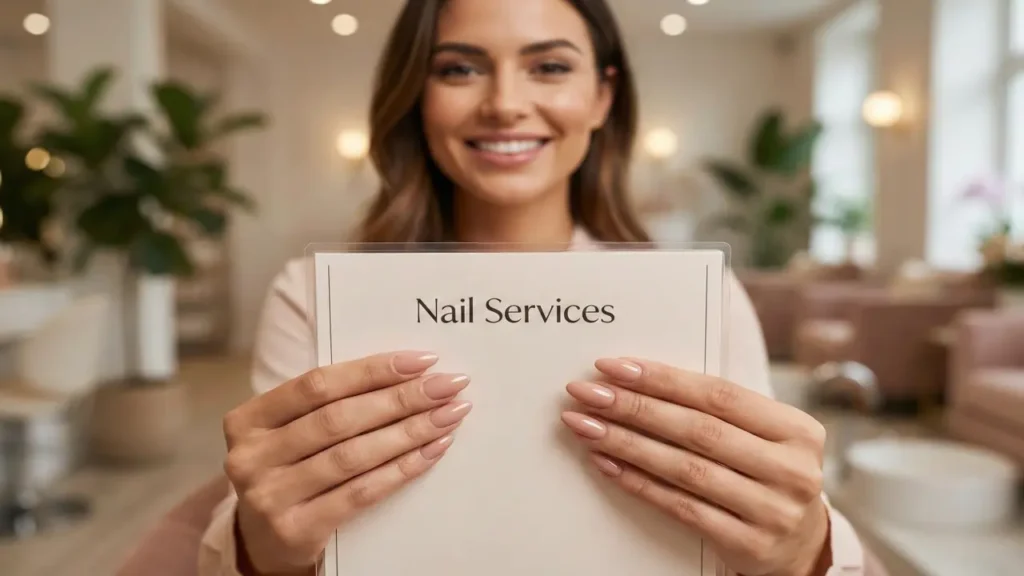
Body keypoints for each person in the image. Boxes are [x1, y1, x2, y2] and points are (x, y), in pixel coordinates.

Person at [199, 0, 867, 574]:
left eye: (549, 66)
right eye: (458, 68)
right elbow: (255, 541)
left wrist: (802, 546)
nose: (505, 105)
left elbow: (774, 528)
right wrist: (263, 543)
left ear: (603, 96)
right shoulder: (314, 293)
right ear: (415, 95)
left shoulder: (702, 298)